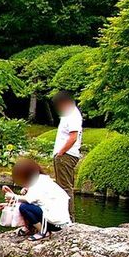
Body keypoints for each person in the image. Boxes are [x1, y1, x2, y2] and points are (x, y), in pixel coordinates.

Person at [0, 158, 71, 241]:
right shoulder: (42, 180)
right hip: (61, 222)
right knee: (26, 206)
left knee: (24, 207)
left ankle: (43, 232)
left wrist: (13, 197)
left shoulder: (38, 184)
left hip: (56, 224)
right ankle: (31, 228)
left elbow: (28, 200)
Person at [51, 90, 82, 219]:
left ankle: (68, 217)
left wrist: (61, 153)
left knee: (65, 187)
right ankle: (64, 216)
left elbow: (73, 136)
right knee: (62, 187)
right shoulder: (69, 114)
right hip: (65, 155)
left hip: (66, 155)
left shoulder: (73, 115)